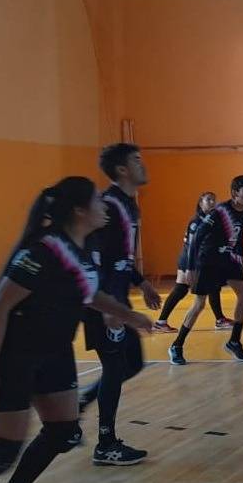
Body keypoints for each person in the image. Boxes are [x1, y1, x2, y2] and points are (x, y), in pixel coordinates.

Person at [0, 177, 152, 483]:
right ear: (80, 211)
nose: (104, 206)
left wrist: (130, 315)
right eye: (97, 201)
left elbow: (90, 294)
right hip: (18, 356)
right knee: (3, 453)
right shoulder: (43, 250)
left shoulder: (84, 248)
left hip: (56, 353)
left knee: (62, 432)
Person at [78, 143, 161, 465]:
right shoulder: (108, 206)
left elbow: (119, 256)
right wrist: (109, 309)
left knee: (132, 363)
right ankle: (106, 444)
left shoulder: (127, 205)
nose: (144, 164)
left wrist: (141, 281)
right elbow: (94, 258)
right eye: (137, 160)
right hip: (103, 301)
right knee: (114, 367)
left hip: (116, 298)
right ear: (122, 169)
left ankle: (81, 402)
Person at [169, 175, 243, 365]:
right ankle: (176, 345)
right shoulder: (220, 211)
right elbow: (197, 237)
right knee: (199, 304)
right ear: (234, 193)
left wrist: (241, 257)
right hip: (208, 260)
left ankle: (234, 341)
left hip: (229, 259)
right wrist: (190, 267)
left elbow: (240, 235)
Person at [152, 191, 234, 333]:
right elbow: (191, 246)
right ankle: (160, 322)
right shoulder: (197, 222)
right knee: (181, 289)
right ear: (200, 203)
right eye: (208, 200)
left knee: (213, 286)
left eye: (214, 200)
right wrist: (189, 267)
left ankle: (220, 319)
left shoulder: (210, 220)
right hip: (189, 260)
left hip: (203, 260)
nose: (212, 202)